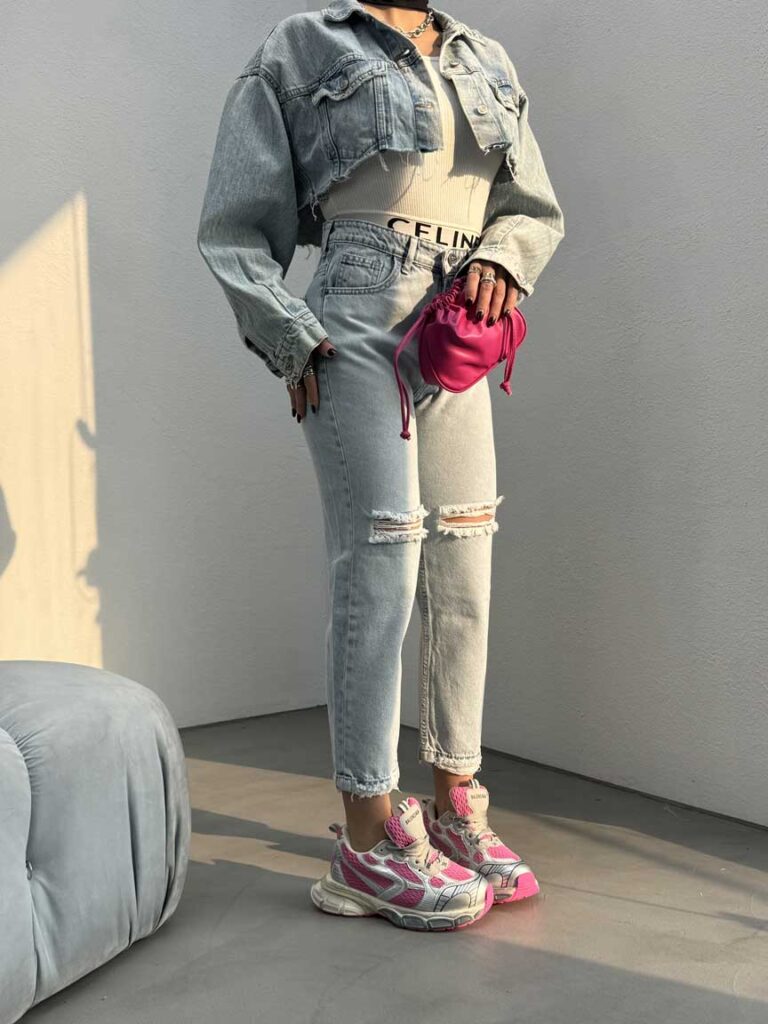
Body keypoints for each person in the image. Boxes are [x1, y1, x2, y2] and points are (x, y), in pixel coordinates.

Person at [197, 0, 564, 931]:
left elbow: (530, 206)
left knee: (464, 563)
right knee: (381, 561)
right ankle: (365, 838)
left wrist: (503, 263)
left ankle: (454, 805)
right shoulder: (302, 45)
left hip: (457, 323)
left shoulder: (483, 55)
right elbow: (233, 225)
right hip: (359, 313)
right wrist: (291, 337)